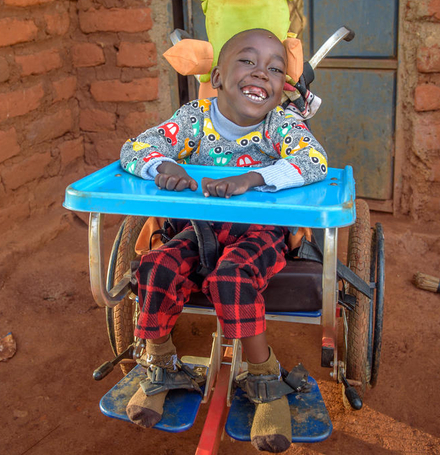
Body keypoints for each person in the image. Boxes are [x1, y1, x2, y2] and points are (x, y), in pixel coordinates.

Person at [119, 28, 328, 453]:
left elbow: (315, 161)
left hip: (260, 233)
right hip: (201, 231)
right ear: (217, 77)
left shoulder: (280, 125)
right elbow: (136, 148)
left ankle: (265, 378)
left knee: (230, 278)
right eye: (247, 61)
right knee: (154, 266)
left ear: (281, 89)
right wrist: (162, 167)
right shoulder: (192, 120)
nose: (261, 73)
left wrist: (254, 177)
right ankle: (160, 363)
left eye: (274, 68)